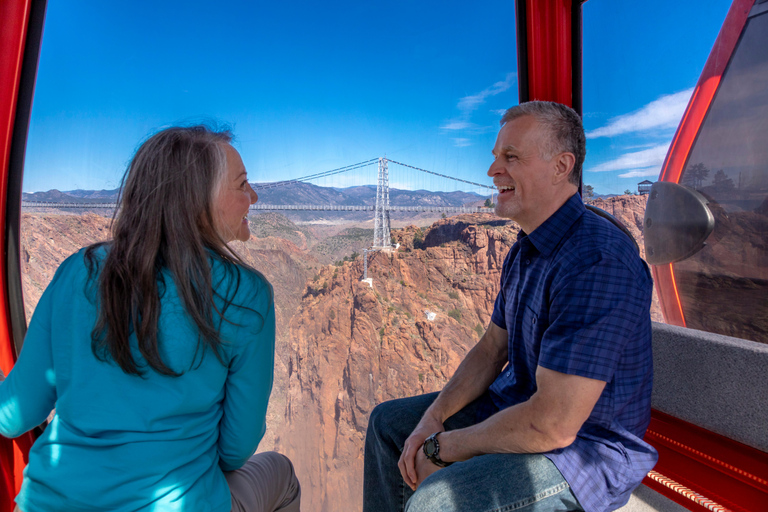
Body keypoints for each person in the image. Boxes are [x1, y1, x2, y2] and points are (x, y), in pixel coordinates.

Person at [363, 102, 657, 512]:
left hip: (582, 452)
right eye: (496, 157)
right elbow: (490, 349)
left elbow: (551, 425)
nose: (492, 170)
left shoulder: (596, 260)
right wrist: (435, 416)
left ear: (561, 166)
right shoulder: (526, 248)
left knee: (435, 502)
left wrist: (442, 447)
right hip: (518, 408)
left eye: (511, 157)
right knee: (388, 425)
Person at [0, 126, 300, 512]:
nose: (254, 196)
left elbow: (14, 415)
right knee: (281, 473)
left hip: (50, 502)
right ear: (198, 201)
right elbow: (234, 452)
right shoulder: (246, 296)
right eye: (242, 185)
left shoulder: (79, 271)